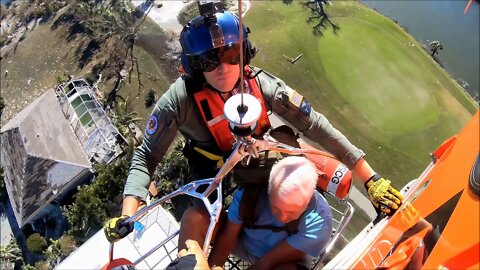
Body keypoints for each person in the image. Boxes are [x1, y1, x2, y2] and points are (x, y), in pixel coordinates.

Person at [104, 2, 402, 243]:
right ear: (194, 66)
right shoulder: (180, 100)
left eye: (232, 55)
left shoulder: (259, 84)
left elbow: (315, 125)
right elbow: (147, 155)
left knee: (336, 177)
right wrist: (129, 212)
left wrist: (369, 177)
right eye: (209, 60)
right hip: (212, 170)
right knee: (203, 224)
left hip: (260, 150)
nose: (223, 68)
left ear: (245, 53)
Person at [178, 156, 333, 269]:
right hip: (244, 240)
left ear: (308, 199)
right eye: (276, 208)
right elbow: (227, 239)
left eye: (292, 211)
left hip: (280, 261)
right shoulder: (250, 194)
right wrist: (214, 266)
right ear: (269, 189)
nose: (283, 217)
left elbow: (267, 263)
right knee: (194, 218)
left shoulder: (319, 223)